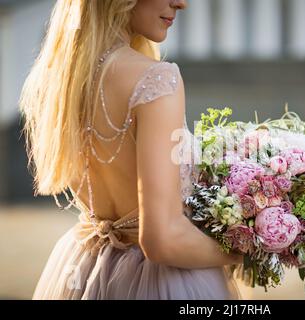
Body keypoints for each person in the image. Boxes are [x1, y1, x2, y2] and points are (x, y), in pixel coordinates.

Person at [19, 0, 243, 299]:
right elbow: (163, 239)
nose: (182, 3)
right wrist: (251, 249)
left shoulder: (59, 80)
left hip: (84, 271)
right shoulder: (156, 79)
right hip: (163, 283)